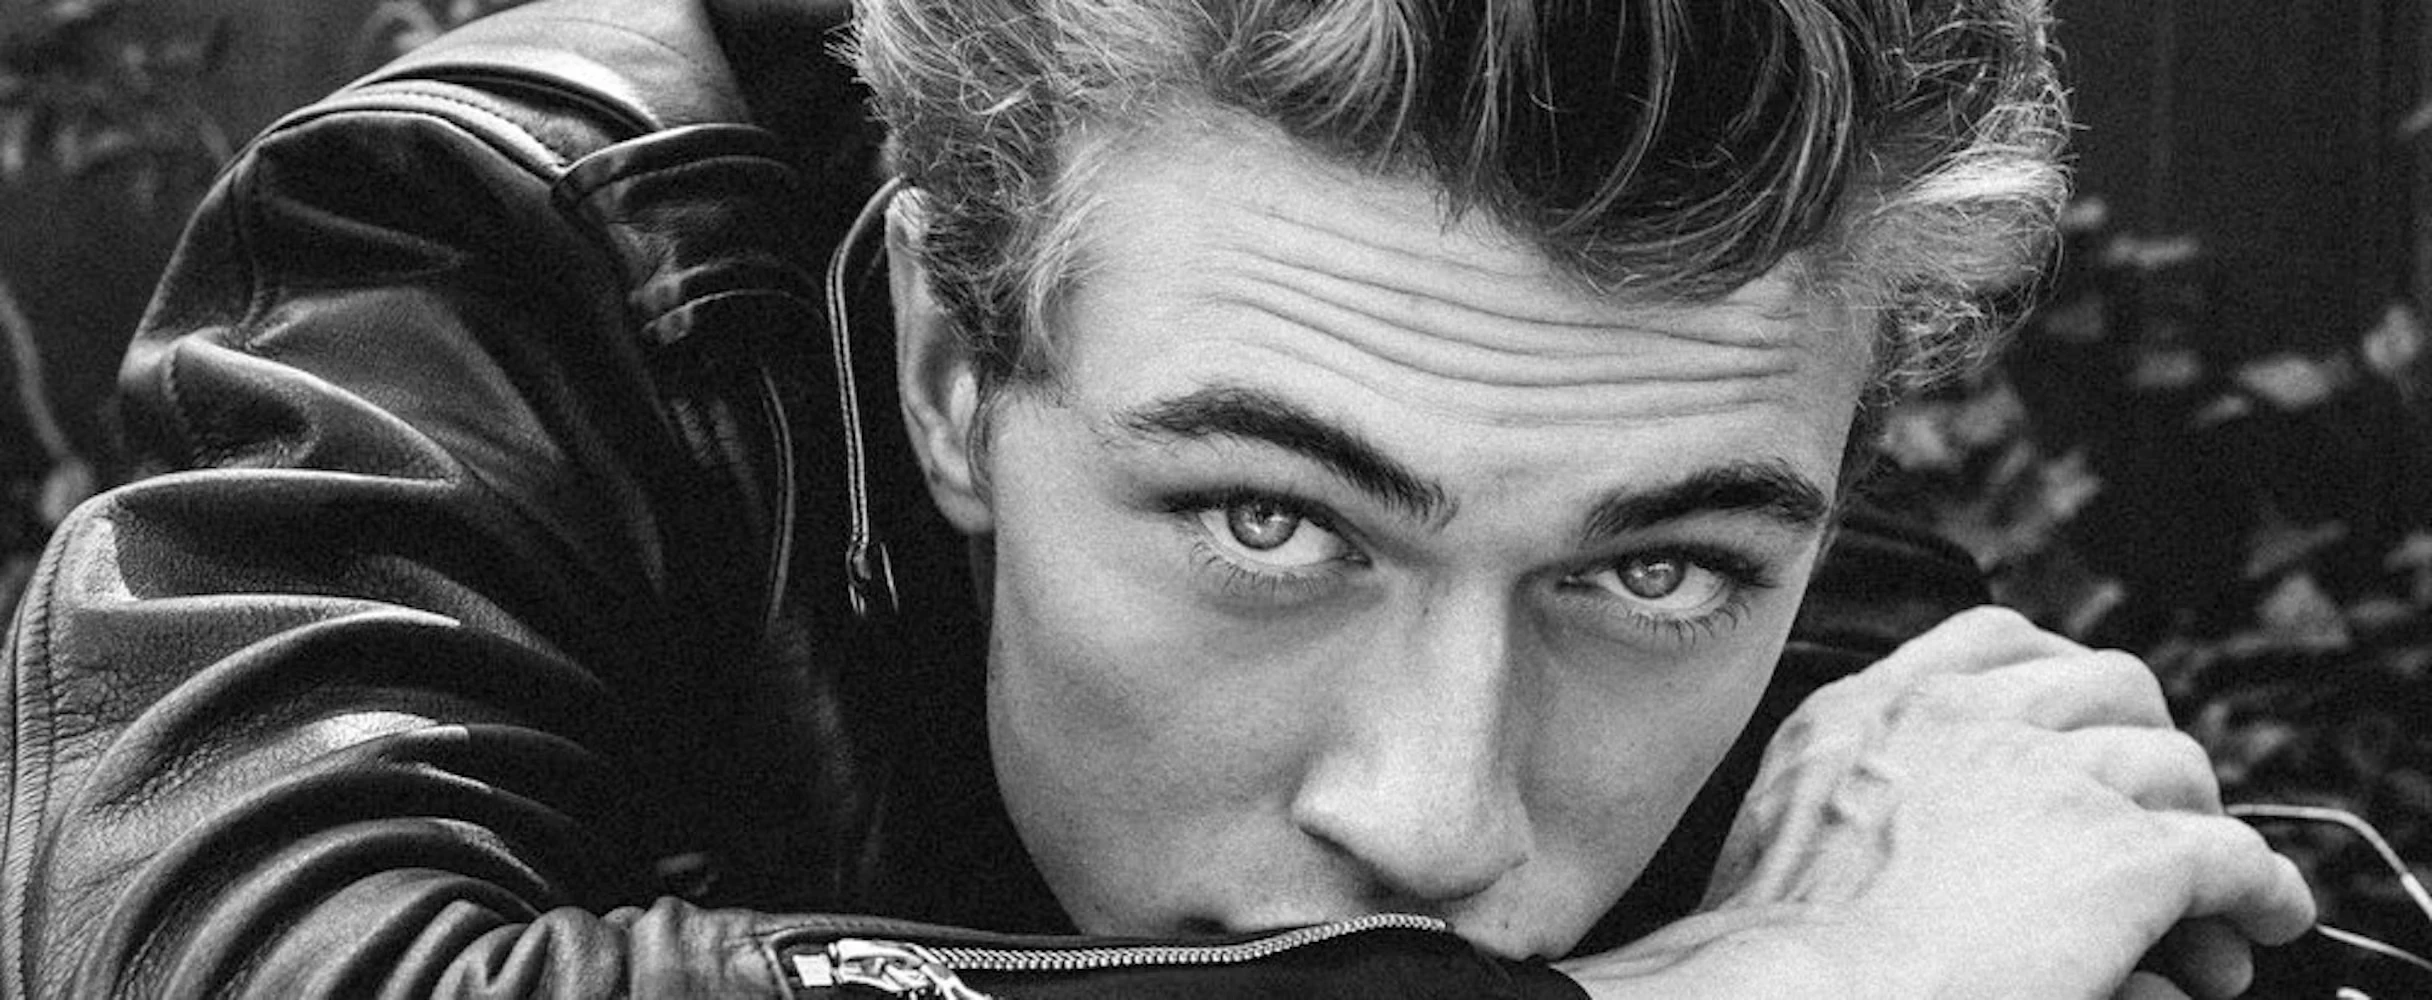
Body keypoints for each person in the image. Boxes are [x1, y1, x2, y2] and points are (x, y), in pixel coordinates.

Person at [0, 0, 2316, 997]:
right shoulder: (520, 248)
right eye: (1267, 519)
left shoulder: (1658, 376)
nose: (1435, 810)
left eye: (1656, 562)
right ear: (943, 358)